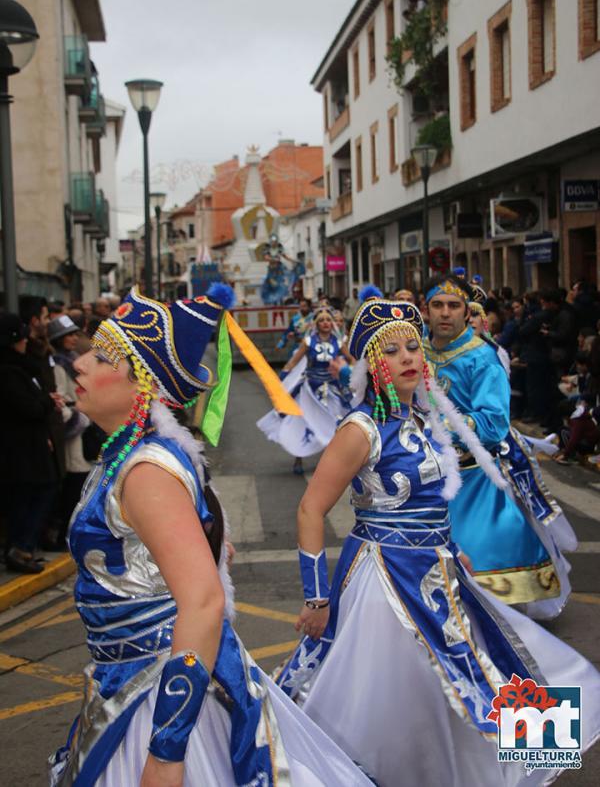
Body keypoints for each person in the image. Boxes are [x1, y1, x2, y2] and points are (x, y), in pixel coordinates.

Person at [50, 284, 372, 787]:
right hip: (128, 683)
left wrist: (166, 750)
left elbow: (203, 603)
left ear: (144, 385)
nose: (79, 365)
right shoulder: (130, 455)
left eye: (101, 356)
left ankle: (530, 748)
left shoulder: (145, 471)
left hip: (157, 689)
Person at [275, 287, 600, 786]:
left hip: (439, 571)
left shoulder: (424, 417)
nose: (406, 358)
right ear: (370, 364)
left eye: (411, 347)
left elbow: (437, 498)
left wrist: (454, 550)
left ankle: (474, 768)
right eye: (390, 351)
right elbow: (310, 508)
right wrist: (317, 598)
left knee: (484, 669)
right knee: (396, 691)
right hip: (383, 579)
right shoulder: (360, 429)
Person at [424, 275, 571, 618]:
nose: (445, 313)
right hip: (426, 483)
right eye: (437, 305)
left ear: (466, 312)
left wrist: (435, 427)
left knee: (488, 594)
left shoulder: (482, 358)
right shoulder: (415, 351)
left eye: (453, 306)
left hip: (474, 481)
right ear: (426, 310)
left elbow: (493, 423)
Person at [257, 306, 354, 475]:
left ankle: (329, 461)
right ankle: (298, 457)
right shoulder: (309, 342)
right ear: (316, 324)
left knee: (334, 422)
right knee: (302, 422)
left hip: (332, 388)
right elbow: (293, 362)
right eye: (322, 320)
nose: (326, 323)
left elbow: (352, 360)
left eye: (328, 320)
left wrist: (352, 373)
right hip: (310, 389)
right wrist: (280, 381)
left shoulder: (339, 342)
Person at [0, 313, 61, 573]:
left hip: (29, 446)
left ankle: (22, 547)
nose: (26, 341)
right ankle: (19, 548)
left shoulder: (20, 367)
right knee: (30, 496)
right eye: (22, 336)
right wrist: (49, 401)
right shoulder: (9, 371)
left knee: (31, 495)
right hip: (19, 449)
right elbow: (29, 407)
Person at [48, 314, 92, 545]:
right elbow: (61, 400)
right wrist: (79, 417)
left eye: (75, 334)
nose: (74, 338)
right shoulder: (57, 365)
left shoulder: (73, 360)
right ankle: (65, 533)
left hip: (83, 429)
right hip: (74, 432)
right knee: (73, 486)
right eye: (69, 335)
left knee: (82, 486)